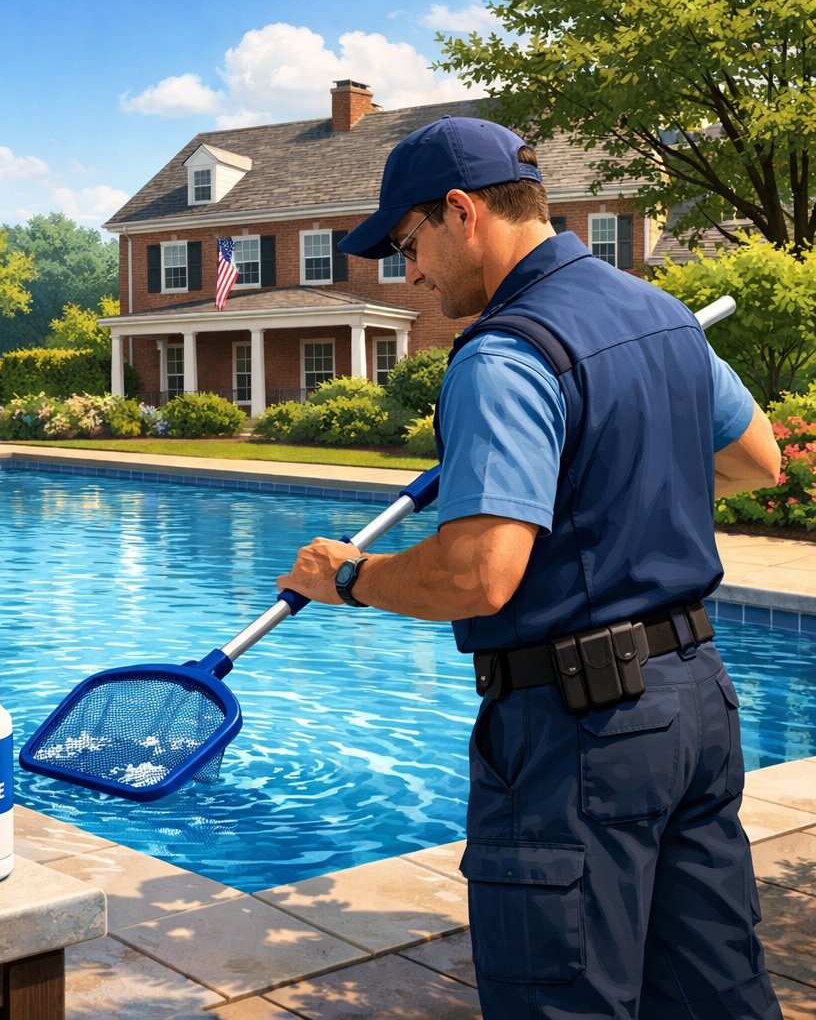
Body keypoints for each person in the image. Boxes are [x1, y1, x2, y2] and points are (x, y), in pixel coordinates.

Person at [277, 115, 783, 1019]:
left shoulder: (506, 352)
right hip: (697, 705)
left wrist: (350, 577)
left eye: (408, 244)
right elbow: (756, 461)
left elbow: (478, 576)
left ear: (462, 211)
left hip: (579, 734)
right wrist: (612, 471)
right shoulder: (661, 314)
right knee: (715, 997)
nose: (414, 273)